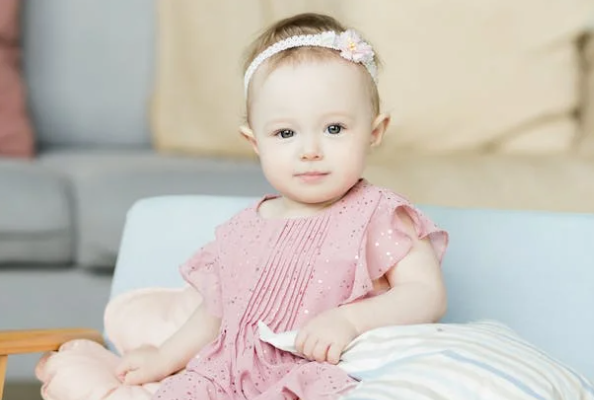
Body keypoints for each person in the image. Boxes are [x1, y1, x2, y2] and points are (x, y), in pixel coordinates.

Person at [115, 12, 449, 400]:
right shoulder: (241, 230)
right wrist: (164, 357)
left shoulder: (380, 215)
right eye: (285, 132)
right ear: (255, 142)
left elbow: (425, 294)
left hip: (320, 371)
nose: (310, 150)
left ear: (374, 132)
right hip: (226, 373)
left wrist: (350, 321)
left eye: (334, 128)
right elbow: (217, 313)